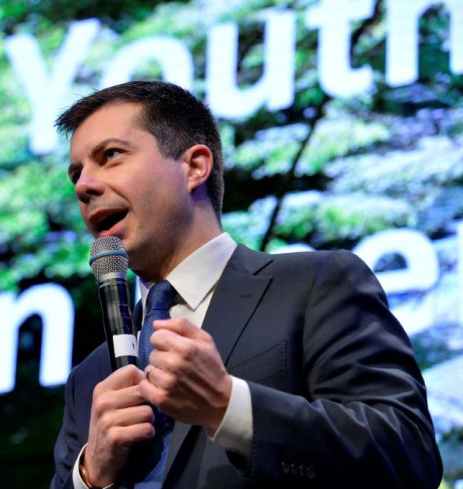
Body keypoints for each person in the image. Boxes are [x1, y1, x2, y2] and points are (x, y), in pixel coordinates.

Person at [50, 80, 442, 489]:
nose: (83, 186)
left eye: (110, 156)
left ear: (195, 166)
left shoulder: (313, 285)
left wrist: (228, 406)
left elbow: (408, 455)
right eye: (77, 173)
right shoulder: (89, 377)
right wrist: (91, 475)